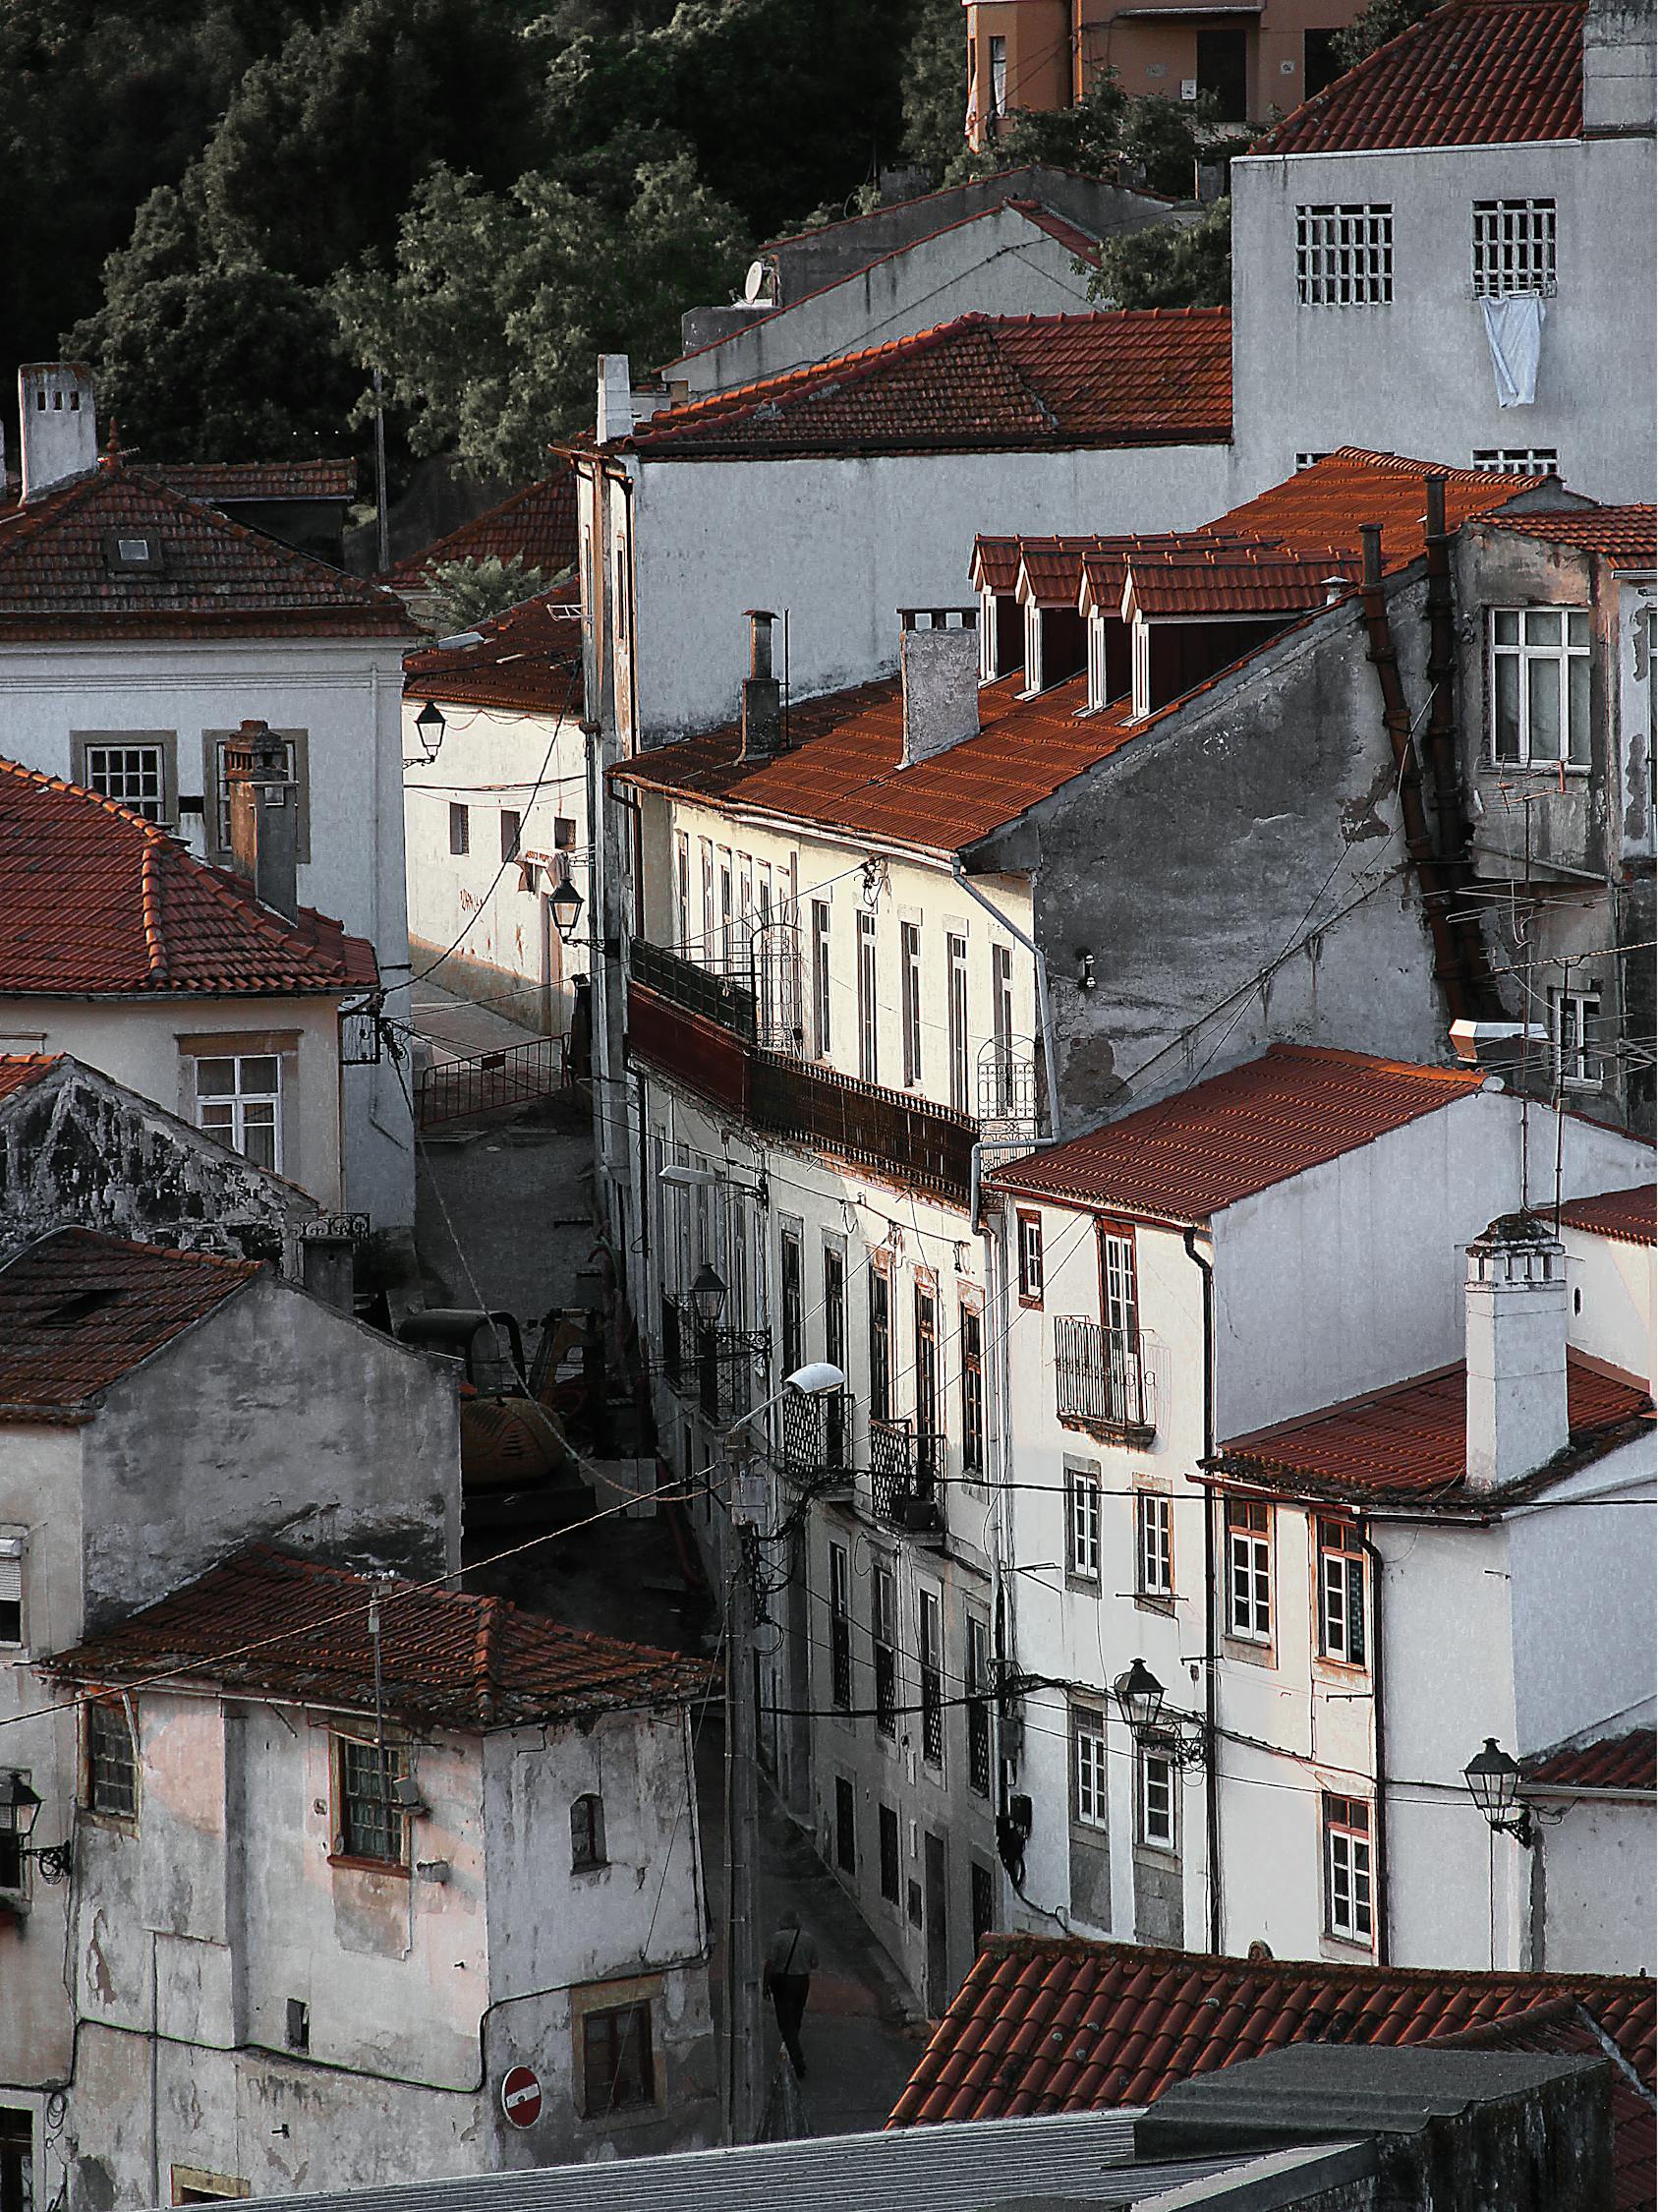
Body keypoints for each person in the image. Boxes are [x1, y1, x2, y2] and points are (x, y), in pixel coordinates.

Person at [764, 1909, 819, 2078]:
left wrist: (765, 1985)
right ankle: (791, 2046)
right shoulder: (808, 1938)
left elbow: (770, 1964)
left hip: (782, 1981)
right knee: (796, 2017)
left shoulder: (777, 1938)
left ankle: (797, 2060)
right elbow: (815, 1963)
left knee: (785, 2021)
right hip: (802, 1981)